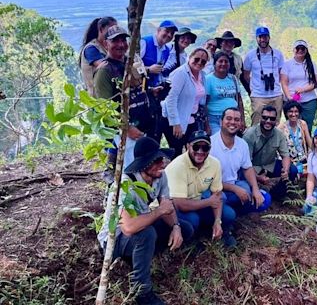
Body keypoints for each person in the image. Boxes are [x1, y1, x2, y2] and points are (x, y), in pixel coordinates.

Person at [97, 137, 193, 305]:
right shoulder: (125, 185)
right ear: (143, 164)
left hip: (140, 226)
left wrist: (176, 227)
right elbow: (128, 227)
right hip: (114, 239)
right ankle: (141, 291)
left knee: (185, 228)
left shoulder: (159, 177)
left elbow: (166, 205)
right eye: (155, 161)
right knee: (147, 234)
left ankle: (142, 258)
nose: (161, 164)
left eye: (161, 159)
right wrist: (159, 211)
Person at [94, 25, 151, 175]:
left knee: (145, 171)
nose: (121, 45)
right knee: (130, 173)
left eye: (123, 40)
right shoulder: (104, 71)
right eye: (115, 41)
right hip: (126, 134)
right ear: (106, 44)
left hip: (143, 128)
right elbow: (105, 109)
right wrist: (127, 129)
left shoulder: (129, 62)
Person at [165, 131, 237, 247]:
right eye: (196, 147)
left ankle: (215, 230)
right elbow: (180, 204)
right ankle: (191, 240)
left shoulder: (215, 164)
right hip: (174, 209)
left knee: (229, 214)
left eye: (205, 148)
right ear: (188, 146)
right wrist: (208, 202)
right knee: (193, 220)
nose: (200, 151)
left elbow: (217, 195)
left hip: (198, 202)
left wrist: (217, 221)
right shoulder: (177, 167)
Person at [209, 107, 270, 214]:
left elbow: (247, 168)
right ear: (221, 121)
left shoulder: (242, 144)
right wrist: (235, 189)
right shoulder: (210, 145)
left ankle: (233, 210)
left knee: (265, 199)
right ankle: (227, 215)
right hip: (214, 189)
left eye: (237, 120)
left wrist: (255, 189)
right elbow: (207, 181)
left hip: (234, 183)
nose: (232, 122)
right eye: (229, 118)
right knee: (223, 199)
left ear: (241, 123)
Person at [162, 48, 209, 157]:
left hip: (192, 119)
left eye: (203, 61)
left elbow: (201, 100)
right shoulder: (180, 73)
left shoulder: (203, 76)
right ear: (190, 57)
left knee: (193, 152)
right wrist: (175, 123)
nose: (199, 62)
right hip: (176, 119)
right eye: (196, 59)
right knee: (176, 153)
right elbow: (171, 98)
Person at [140, 20, 178, 144]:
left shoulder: (166, 50)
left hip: (155, 93)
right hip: (141, 91)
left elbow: (161, 71)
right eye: (166, 31)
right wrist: (148, 69)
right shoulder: (145, 42)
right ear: (158, 30)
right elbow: (131, 65)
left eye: (171, 34)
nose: (168, 35)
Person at [243, 105, 291, 199]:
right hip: (253, 168)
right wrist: (257, 177)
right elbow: (246, 163)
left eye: (272, 118)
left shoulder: (279, 134)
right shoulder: (249, 135)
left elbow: (285, 155)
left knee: (292, 170)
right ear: (260, 118)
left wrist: (285, 170)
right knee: (244, 179)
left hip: (270, 165)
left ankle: (277, 195)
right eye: (265, 118)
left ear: (276, 121)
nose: (268, 121)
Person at [243, 27, 285, 124]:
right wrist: (255, 86)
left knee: (276, 123)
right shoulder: (250, 55)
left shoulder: (278, 54)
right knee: (257, 123)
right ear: (257, 38)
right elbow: (246, 75)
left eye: (265, 37)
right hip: (258, 95)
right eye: (260, 37)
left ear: (269, 38)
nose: (263, 40)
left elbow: (281, 73)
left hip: (276, 95)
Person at [280, 40, 317, 133]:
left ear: (306, 50)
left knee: (307, 127)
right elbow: (284, 82)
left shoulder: (312, 64)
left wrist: (303, 89)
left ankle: (307, 146)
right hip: (291, 101)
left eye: (302, 48)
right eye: (298, 48)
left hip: (309, 101)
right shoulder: (287, 65)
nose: (300, 50)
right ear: (294, 50)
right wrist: (289, 97)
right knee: (292, 127)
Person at [205, 51, 246, 134]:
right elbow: (204, 103)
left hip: (233, 118)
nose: (223, 64)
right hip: (215, 119)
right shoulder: (208, 79)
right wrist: (206, 125)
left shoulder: (233, 79)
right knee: (218, 142)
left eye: (226, 61)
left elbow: (239, 100)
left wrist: (242, 120)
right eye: (220, 61)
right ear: (215, 64)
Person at [79, 16, 117, 96]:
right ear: (101, 30)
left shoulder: (107, 47)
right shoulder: (91, 49)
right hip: (97, 99)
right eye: (110, 30)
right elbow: (106, 66)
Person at [277, 100, 312, 177]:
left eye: (296, 111)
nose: (294, 114)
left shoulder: (302, 124)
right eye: (291, 111)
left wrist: (312, 155)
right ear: (286, 113)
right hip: (289, 160)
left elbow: (309, 143)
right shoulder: (281, 127)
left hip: (302, 158)